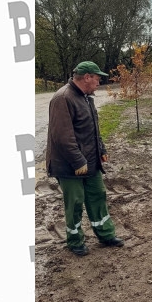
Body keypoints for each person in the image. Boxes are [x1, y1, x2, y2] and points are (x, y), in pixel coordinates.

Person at [46, 61, 125, 256]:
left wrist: (101, 149)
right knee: (75, 203)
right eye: (97, 79)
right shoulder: (63, 98)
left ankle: (106, 234)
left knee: (98, 195)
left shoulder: (86, 97)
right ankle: (75, 241)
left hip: (90, 161)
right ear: (87, 77)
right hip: (69, 165)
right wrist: (78, 161)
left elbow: (93, 129)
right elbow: (62, 136)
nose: (99, 83)